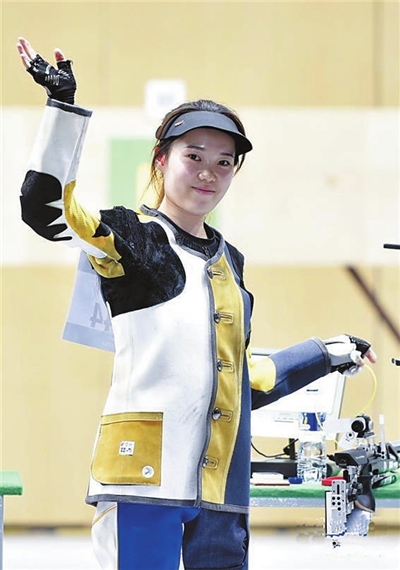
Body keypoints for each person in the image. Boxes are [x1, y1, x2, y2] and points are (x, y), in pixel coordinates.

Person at [16, 37, 377, 570]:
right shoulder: (130, 236)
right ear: (161, 159)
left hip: (220, 489)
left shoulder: (231, 262)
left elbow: (241, 380)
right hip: (144, 481)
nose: (209, 172)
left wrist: (327, 352)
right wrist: (63, 107)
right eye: (194, 157)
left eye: (224, 162)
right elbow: (45, 209)